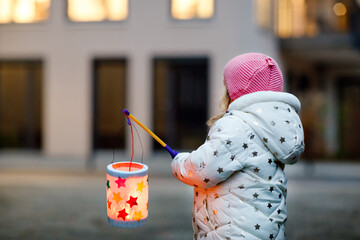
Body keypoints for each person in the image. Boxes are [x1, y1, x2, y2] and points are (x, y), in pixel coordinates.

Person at [171, 53, 305, 240]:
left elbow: (203, 169)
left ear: (234, 92)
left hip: (234, 234)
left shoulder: (237, 126)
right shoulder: (273, 127)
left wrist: (179, 162)